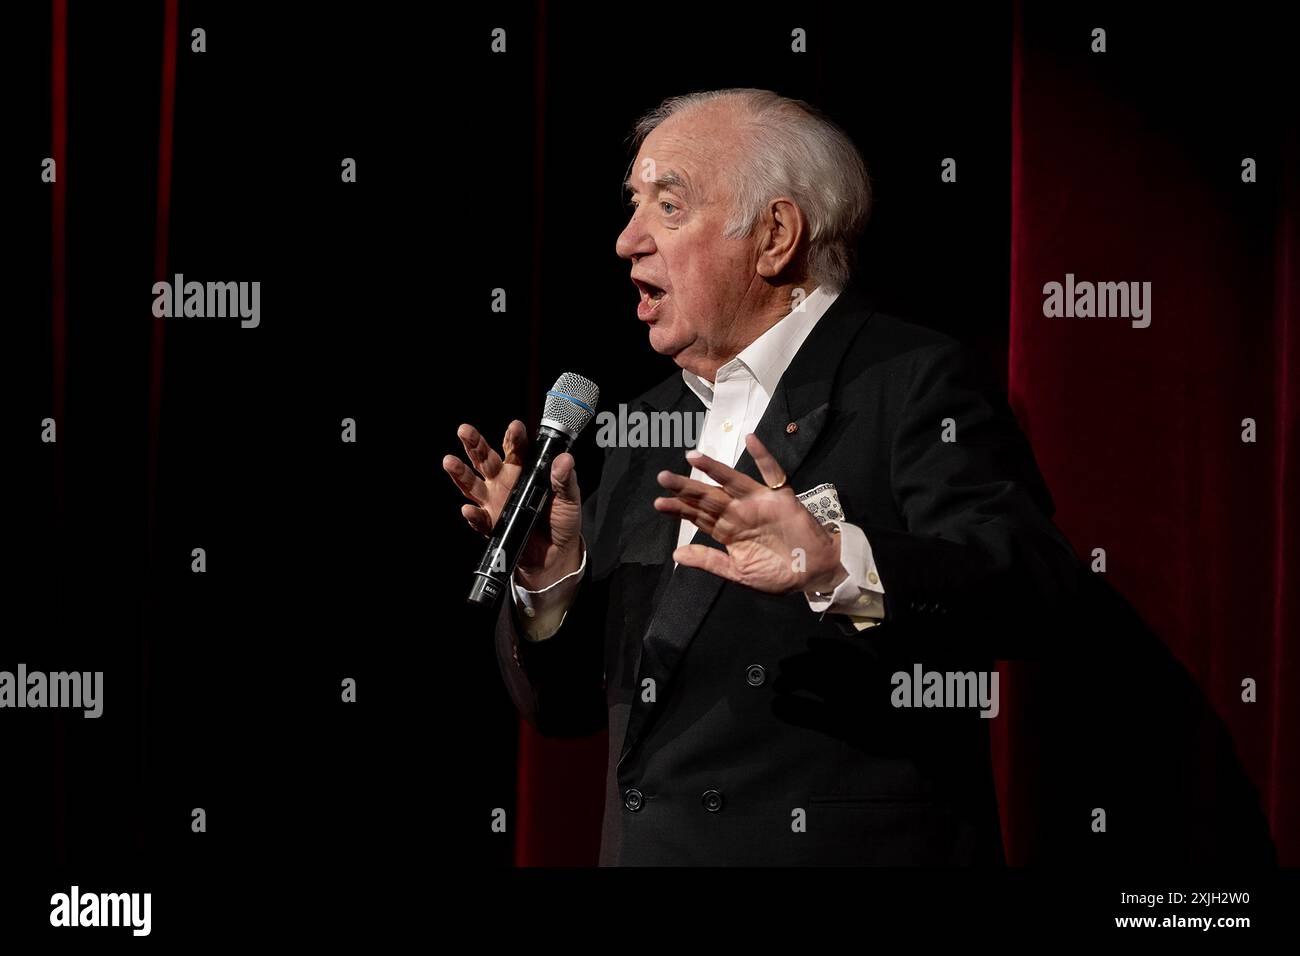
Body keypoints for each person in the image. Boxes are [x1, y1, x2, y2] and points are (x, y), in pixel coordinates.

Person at [444, 88, 1082, 865]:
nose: (625, 241)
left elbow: (1039, 592)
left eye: (668, 206)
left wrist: (836, 562)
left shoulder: (911, 381)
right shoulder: (642, 427)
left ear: (775, 236)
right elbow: (569, 712)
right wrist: (550, 579)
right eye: (632, 204)